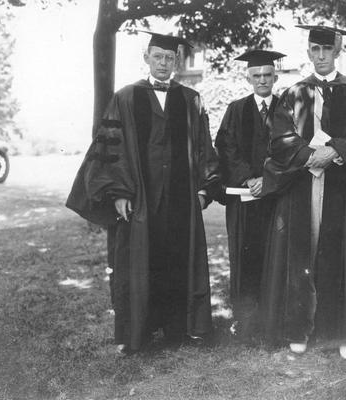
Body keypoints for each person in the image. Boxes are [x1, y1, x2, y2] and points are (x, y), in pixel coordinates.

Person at [66, 32, 220, 353]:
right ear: (146, 57)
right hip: (141, 198)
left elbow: (205, 147)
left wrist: (205, 189)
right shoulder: (125, 97)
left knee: (176, 258)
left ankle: (178, 329)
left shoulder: (191, 100)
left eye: (169, 58)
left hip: (180, 198)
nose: (164, 63)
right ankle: (139, 331)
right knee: (141, 262)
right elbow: (113, 148)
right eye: (158, 57)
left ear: (176, 61)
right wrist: (119, 193)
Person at [259, 25, 346, 359]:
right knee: (302, 254)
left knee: (342, 257)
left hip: (342, 188)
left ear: (338, 50)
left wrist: (335, 151)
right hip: (301, 185)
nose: (322, 56)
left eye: (328, 49)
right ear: (309, 51)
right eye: (316, 49)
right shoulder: (294, 92)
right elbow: (279, 137)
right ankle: (299, 328)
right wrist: (310, 156)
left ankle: (340, 333)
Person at [214, 49, 285, 337]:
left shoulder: (286, 108)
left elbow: (292, 150)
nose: (263, 80)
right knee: (243, 259)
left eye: (268, 75)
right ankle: (245, 322)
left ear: (276, 77)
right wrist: (249, 178)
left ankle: (275, 320)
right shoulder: (236, 109)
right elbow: (226, 148)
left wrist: (267, 179)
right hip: (244, 199)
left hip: (277, 196)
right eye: (257, 75)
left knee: (276, 256)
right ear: (248, 77)